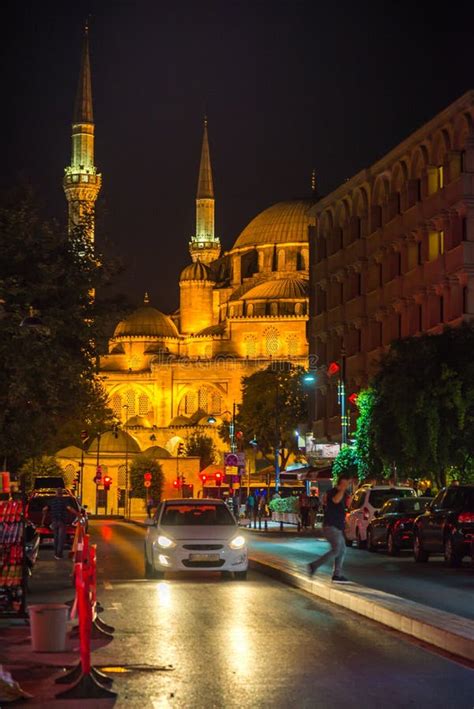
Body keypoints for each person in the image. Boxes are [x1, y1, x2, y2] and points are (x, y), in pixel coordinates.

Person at [306, 474, 353, 583]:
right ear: (340, 483)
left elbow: (345, 508)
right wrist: (342, 490)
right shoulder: (332, 492)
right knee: (337, 550)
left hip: (337, 526)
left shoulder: (344, 494)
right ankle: (314, 565)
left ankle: (337, 575)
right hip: (331, 526)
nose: (347, 486)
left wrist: (347, 523)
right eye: (345, 484)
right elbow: (335, 501)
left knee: (341, 550)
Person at [42, 488, 78, 560]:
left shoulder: (52, 501)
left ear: (56, 493)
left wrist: (43, 518)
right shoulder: (64, 501)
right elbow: (69, 508)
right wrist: (77, 514)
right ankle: (59, 555)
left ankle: (55, 553)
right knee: (61, 538)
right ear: (61, 494)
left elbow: (44, 509)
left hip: (54, 521)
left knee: (56, 537)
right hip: (62, 521)